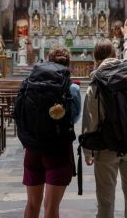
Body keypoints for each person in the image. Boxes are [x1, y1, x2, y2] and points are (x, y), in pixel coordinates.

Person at [82, 25, 127, 218]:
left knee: (106, 200)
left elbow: (90, 122)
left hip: (107, 147)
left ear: (95, 57)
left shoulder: (96, 83)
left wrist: (88, 151)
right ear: (114, 53)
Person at [21, 46, 82, 218]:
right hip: (59, 150)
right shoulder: (73, 88)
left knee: (32, 204)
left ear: (47, 61)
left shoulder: (30, 82)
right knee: (51, 207)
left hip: (33, 149)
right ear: (68, 64)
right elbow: (75, 118)